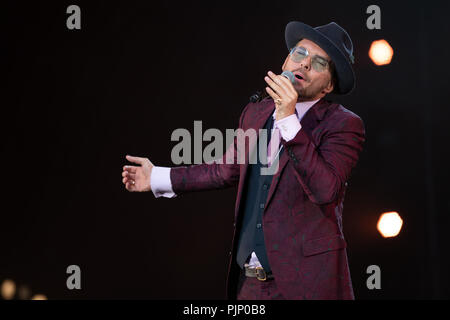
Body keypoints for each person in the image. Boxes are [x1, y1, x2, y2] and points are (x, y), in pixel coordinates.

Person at [121, 21, 365, 300]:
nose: (305, 64)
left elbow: (325, 189)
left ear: (329, 85)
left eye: (319, 62)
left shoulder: (343, 124)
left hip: (308, 285)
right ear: (286, 60)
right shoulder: (257, 112)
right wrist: (156, 177)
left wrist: (287, 118)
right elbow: (225, 170)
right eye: (300, 54)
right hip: (251, 285)